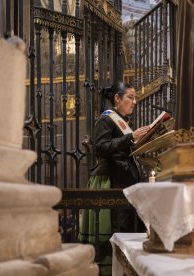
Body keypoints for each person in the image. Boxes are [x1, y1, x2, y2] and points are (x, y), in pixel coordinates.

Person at [79, 82, 149, 275]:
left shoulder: (123, 122)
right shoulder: (106, 119)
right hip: (111, 181)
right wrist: (130, 138)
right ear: (117, 99)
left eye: (135, 98)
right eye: (130, 97)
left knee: (128, 230)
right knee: (116, 230)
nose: (134, 102)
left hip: (125, 181)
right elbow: (100, 148)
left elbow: (123, 147)